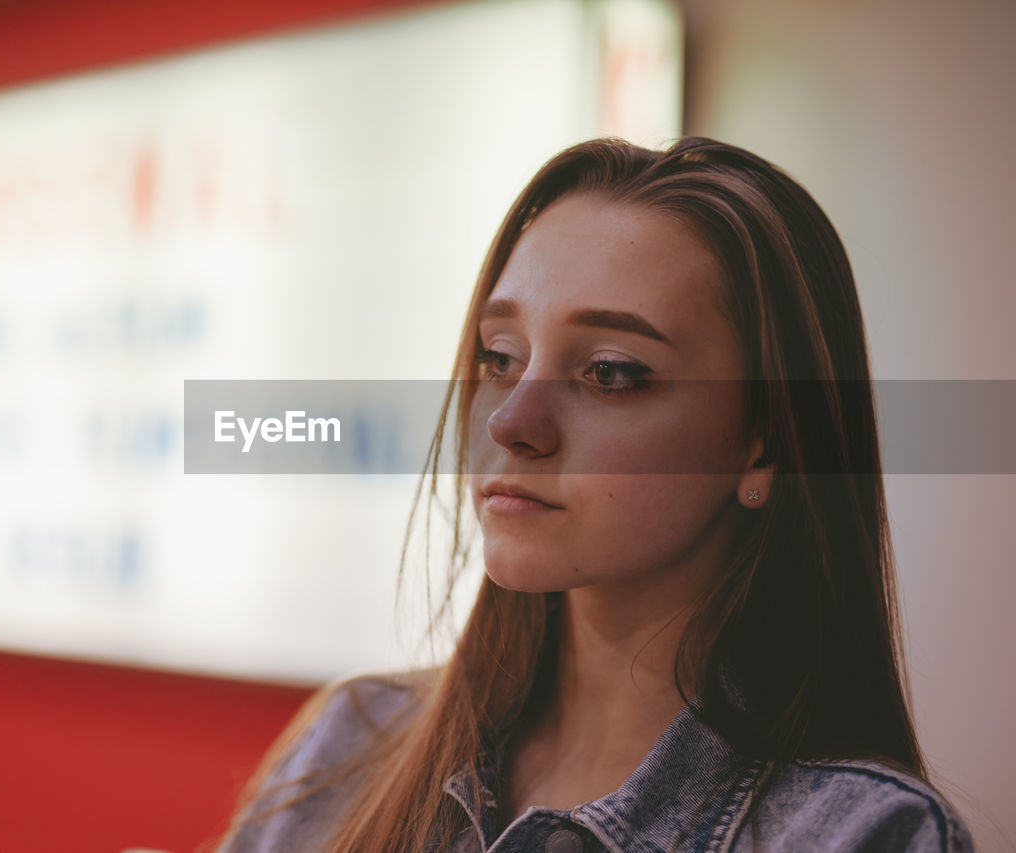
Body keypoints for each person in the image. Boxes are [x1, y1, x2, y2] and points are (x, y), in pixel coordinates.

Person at [211, 137, 976, 852]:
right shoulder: (351, 742)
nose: (512, 422)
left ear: (764, 440)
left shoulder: (860, 832)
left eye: (610, 370)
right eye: (500, 356)